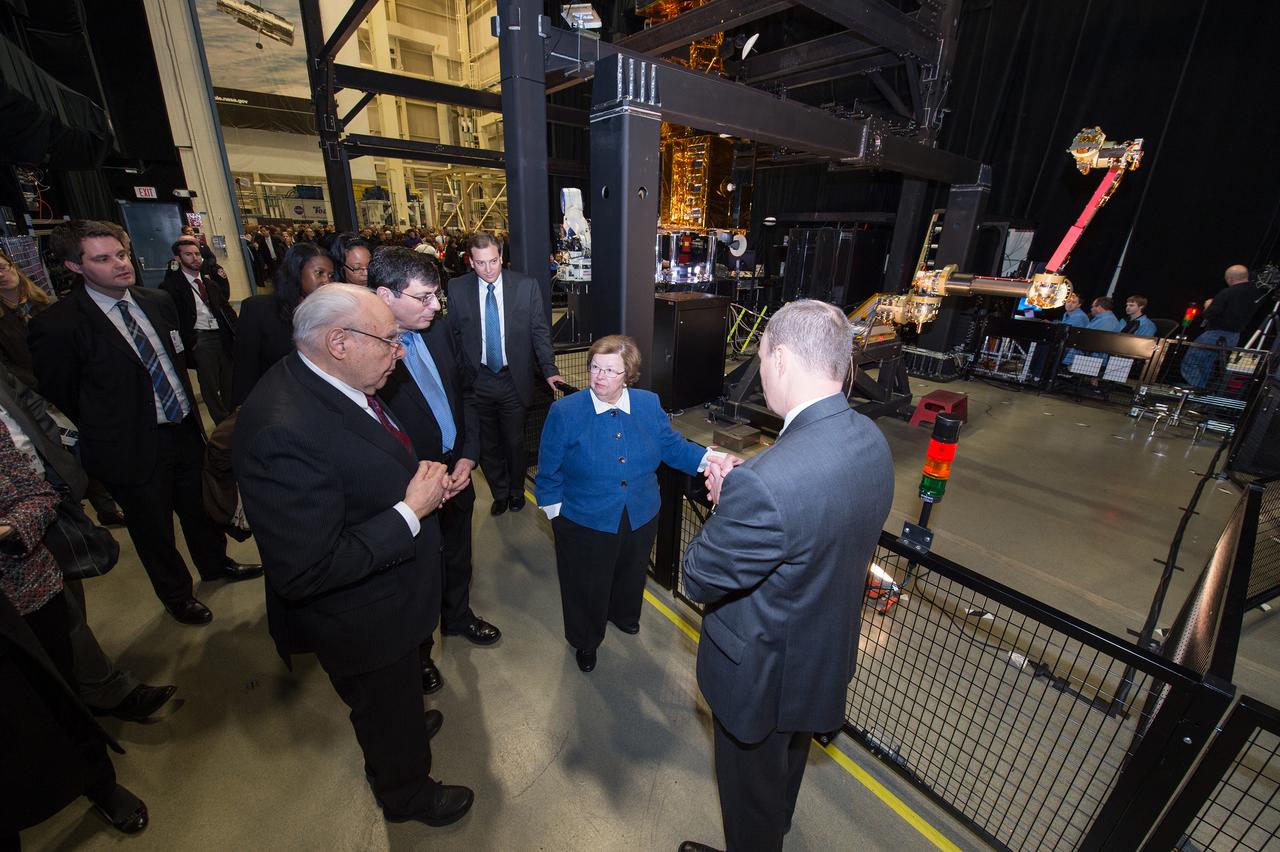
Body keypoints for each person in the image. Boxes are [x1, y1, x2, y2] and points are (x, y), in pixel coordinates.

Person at [233, 283, 473, 827]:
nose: (400, 352)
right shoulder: (282, 430)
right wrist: (411, 510)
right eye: (389, 341)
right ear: (339, 342)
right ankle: (406, 794)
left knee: (393, 707)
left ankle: (400, 733)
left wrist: (416, 484)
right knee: (382, 706)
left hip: (391, 598)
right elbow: (308, 569)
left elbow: (357, 467)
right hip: (364, 619)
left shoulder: (327, 380)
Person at [678, 300, 894, 852]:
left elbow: (697, 577)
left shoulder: (766, 486)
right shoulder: (870, 440)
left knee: (748, 802)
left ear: (780, 358)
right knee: (782, 778)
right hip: (817, 664)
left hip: (760, 680)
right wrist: (750, 490)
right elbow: (814, 523)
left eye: (761, 357)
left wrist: (730, 503)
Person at [28, 221, 261, 625]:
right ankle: (177, 595)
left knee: (199, 509)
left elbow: (177, 358)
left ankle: (215, 563)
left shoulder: (156, 301)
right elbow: (61, 391)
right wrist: (113, 423)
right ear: (75, 266)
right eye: (103, 259)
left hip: (182, 428)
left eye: (121, 253)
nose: (121, 264)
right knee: (153, 529)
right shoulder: (58, 325)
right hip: (129, 445)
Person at [536, 334, 729, 673]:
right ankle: (586, 639)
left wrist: (710, 459)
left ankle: (623, 615)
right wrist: (556, 515)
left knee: (631, 571)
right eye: (595, 367)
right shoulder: (565, 411)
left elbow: (671, 446)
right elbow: (548, 466)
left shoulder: (647, 404)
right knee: (586, 583)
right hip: (585, 519)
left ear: (628, 375)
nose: (600, 376)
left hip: (640, 512)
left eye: (611, 370)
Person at [0, 363, 175, 721]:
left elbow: (32, 404)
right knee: (59, 610)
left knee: (69, 595)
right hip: (15, 534)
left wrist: (56, 456)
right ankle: (102, 690)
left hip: (44, 494)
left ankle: (86, 685)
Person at [0, 421, 149, 839]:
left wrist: (7, 528)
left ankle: (101, 784)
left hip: (27, 594)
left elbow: (39, 497)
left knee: (61, 696)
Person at [370, 249, 498, 695]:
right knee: (418, 570)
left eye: (436, 296)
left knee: (458, 552)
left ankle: (458, 616)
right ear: (385, 295)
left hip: (457, 470)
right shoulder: (367, 350)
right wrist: (422, 480)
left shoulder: (439, 330)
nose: (435, 306)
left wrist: (468, 456)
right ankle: (420, 651)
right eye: (423, 297)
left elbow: (467, 392)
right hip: (411, 486)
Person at [448, 233, 563, 516]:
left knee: (514, 441)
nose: (488, 269)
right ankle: (499, 493)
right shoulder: (457, 288)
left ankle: (516, 491)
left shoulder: (525, 286)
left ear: (501, 257)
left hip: (513, 379)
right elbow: (454, 334)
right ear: (470, 262)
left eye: (493, 261)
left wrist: (549, 370)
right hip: (478, 380)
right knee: (487, 444)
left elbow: (539, 332)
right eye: (480, 263)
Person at [231, 242, 334, 409]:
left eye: (330, 275)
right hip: (274, 406)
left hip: (320, 405)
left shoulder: (330, 313)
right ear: (296, 272)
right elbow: (245, 369)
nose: (326, 281)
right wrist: (242, 408)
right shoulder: (258, 310)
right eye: (319, 273)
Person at [160, 238, 238, 424]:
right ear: (178, 258)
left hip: (221, 336)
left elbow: (226, 309)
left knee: (229, 380)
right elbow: (171, 320)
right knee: (210, 384)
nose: (195, 258)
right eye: (189, 254)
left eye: (197, 254)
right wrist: (190, 342)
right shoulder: (171, 287)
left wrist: (236, 331)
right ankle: (221, 422)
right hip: (200, 339)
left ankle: (233, 419)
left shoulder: (210, 284)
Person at [1181, 264, 1259, 388]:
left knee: (1191, 363)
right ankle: (1203, 392)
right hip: (1234, 336)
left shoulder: (1227, 293)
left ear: (1230, 279)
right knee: (1207, 365)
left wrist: (1208, 306)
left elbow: (1209, 314)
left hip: (1215, 334)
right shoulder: (1255, 293)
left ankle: (1198, 391)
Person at [0, 246, 54, 387]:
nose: (0, 275)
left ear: (13, 266)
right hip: (38, 390)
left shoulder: (49, 304)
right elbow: (7, 368)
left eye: (2, 267)